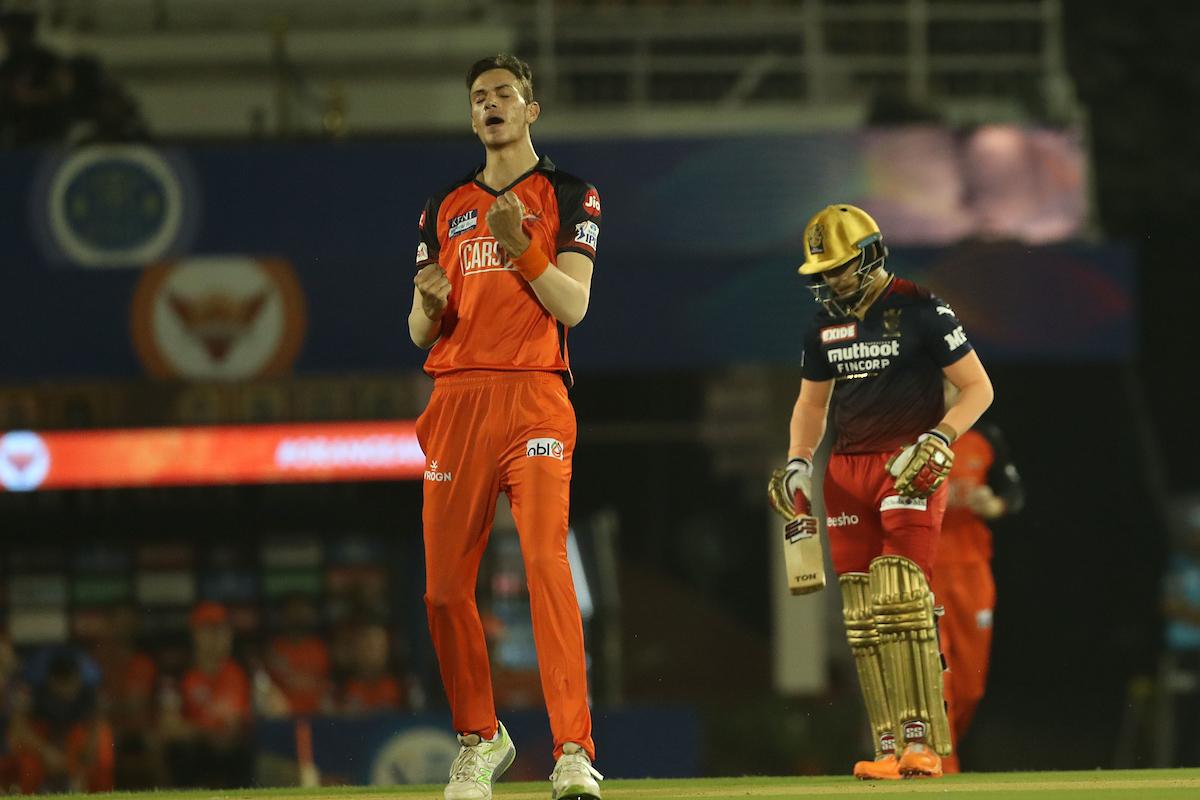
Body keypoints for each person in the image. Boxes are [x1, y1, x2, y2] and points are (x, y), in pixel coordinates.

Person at [409, 53, 603, 800]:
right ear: (471, 116)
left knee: (547, 565)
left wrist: (520, 245)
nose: (490, 105)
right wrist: (428, 302)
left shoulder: (569, 193)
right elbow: (418, 331)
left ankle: (573, 753)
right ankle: (480, 738)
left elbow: (573, 306)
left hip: (533, 397)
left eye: (505, 95)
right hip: (456, 399)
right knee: (442, 592)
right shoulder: (443, 205)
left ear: (532, 110)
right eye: (479, 98)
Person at [767, 204, 994, 780]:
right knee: (863, 615)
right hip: (845, 474)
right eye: (821, 271)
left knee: (902, 598)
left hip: (905, 466)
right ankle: (890, 747)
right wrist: (798, 462)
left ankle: (924, 741)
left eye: (838, 267)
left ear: (870, 255)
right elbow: (811, 404)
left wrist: (941, 437)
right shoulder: (822, 327)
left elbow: (977, 389)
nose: (828, 281)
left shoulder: (922, 308)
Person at [929, 396, 1024, 774]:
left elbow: (1013, 492)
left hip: (972, 572)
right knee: (940, 680)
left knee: (970, 687)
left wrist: (994, 504)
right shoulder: (907, 434)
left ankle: (942, 750)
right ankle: (943, 771)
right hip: (926, 570)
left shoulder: (985, 436)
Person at [161, 602, 253, 788]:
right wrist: (205, 732)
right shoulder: (177, 673)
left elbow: (272, 710)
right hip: (196, 753)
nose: (217, 638)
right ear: (195, 634)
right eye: (209, 631)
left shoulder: (246, 670)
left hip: (235, 752)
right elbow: (167, 726)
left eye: (222, 630)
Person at [7, 645, 114, 793]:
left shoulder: (91, 683)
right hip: (40, 731)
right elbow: (17, 730)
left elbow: (98, 723)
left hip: (77, 729)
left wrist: (87, 755)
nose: (67, 693)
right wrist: (46, 751)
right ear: (50, 681)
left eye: (72, 685)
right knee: (28, 764)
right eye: (62, 686)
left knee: (102, 757)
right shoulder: (29, 685)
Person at [0, 1, 73, 148]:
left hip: (47, 139)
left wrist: (32, 97)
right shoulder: (7, 66)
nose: (8, 34)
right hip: (16, 141)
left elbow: (63, 90)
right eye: (6, 29)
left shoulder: (48, 60)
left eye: (13, 28)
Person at [265, 594, 331, 717]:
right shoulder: (274, 649)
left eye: (301, 610)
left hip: (319, 716)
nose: (297, 615)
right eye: (293, 610)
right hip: (284, 718)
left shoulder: (320, 648)